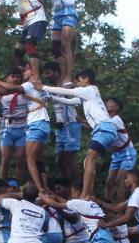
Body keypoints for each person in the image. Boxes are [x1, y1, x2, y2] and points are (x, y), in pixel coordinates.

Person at [44, 68, 121, 198]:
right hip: (104, 130)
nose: (78, 83)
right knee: (88, 162)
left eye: (80, 80)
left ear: (87, 80)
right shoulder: (90, 94)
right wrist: (51, 97)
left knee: (89, 159)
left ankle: (85, 194)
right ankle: (89, 193)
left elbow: (68, 91)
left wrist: (44, 87)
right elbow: (69, 101)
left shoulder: (89, 90)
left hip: (104, 129)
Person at [44, 0, 78, 82]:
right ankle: (62, 75)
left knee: (65, 44)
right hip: (57, 15)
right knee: (55, 47)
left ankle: (69, 76)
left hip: (68, 12)